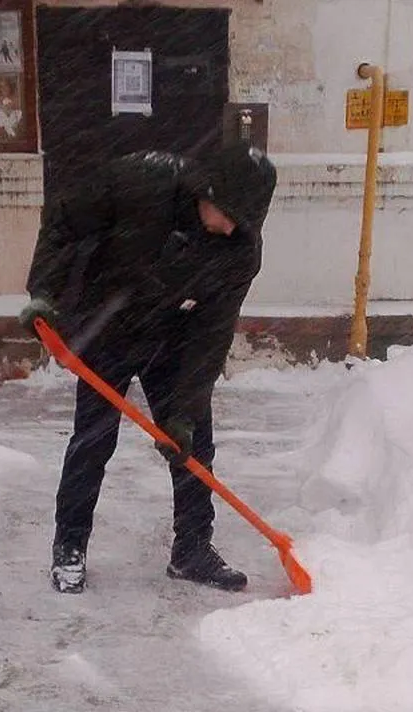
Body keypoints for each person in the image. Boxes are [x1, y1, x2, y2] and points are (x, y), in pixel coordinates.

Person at [18, 143, 278, 594]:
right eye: (228, 213)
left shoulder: (239, 250)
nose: (231, 226)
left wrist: (183, 411)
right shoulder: (139, 182)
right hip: (108, 325)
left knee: (195, 443)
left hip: (172, 335)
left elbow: (211, 334)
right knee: (93, 441)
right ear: (205, 191)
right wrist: (44, 292)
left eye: (243, 221)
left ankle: (192, 549)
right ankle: (70, 548)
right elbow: (63, 223)